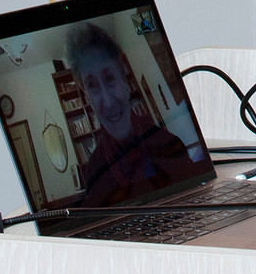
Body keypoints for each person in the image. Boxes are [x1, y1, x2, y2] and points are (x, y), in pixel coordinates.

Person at [67, 22, 196, 208]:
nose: (108, 102)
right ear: (86, 97)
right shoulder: (95, 172)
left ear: (124, 79)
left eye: (110, 78)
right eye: (92, 86)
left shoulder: (169, 143)